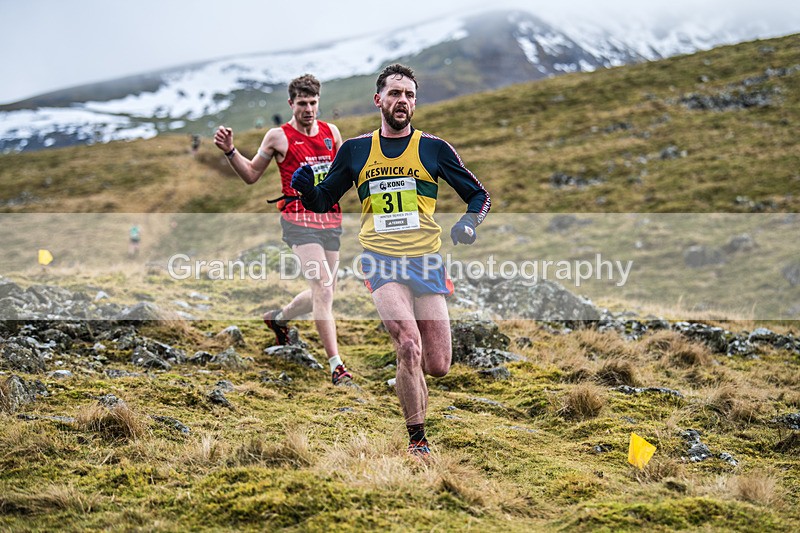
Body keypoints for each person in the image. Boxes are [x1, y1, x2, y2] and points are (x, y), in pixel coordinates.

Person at [291, 64, 491, 456]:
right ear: (378, 99)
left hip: (426, 261)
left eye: (410, 95)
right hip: (381, 260)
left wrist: (468, 224)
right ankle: (418, 440)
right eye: (396, 93)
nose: (403, 101)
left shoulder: (434, 149)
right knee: (409, 344)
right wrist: (305, 190)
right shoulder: (355, 150)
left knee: (437, 365)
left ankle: (408, 383)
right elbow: (323, 199)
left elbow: (479, 195)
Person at [213, 74, 354, 387]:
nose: (308, 109)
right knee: (323, 286)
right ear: (291, 103)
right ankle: (337, 366)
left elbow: (345, 174)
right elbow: (250, 174)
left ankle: (279, 319)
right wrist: (230, 150)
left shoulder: (332, 132)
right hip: (297, 220)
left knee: (325, 290)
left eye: (313, 103)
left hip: (329, 219)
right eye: (302, 103)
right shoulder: (278, 136)